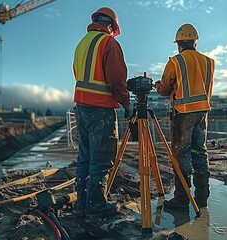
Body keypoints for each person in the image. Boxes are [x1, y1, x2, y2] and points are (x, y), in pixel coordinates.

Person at [72, 7, 134, 218]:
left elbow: (77, 73)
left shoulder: (81, 44)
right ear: (111, 26)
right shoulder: (109, 43)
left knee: (85, 158)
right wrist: (127, 104)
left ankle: (83, 202)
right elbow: (117, 80)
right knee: (101, 160)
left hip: (81, 109)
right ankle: (97, 205)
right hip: (101, 109)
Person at [155, 23, 214, 210]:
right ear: (195, 43)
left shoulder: (175, 62)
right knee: (200, 151)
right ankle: (202, 198)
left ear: (178, 44)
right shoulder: (208, 62)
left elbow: (164, 89)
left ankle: (182, 199)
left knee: (181, 154)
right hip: (202, 113)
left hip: (183, 114)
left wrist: (158, 86)